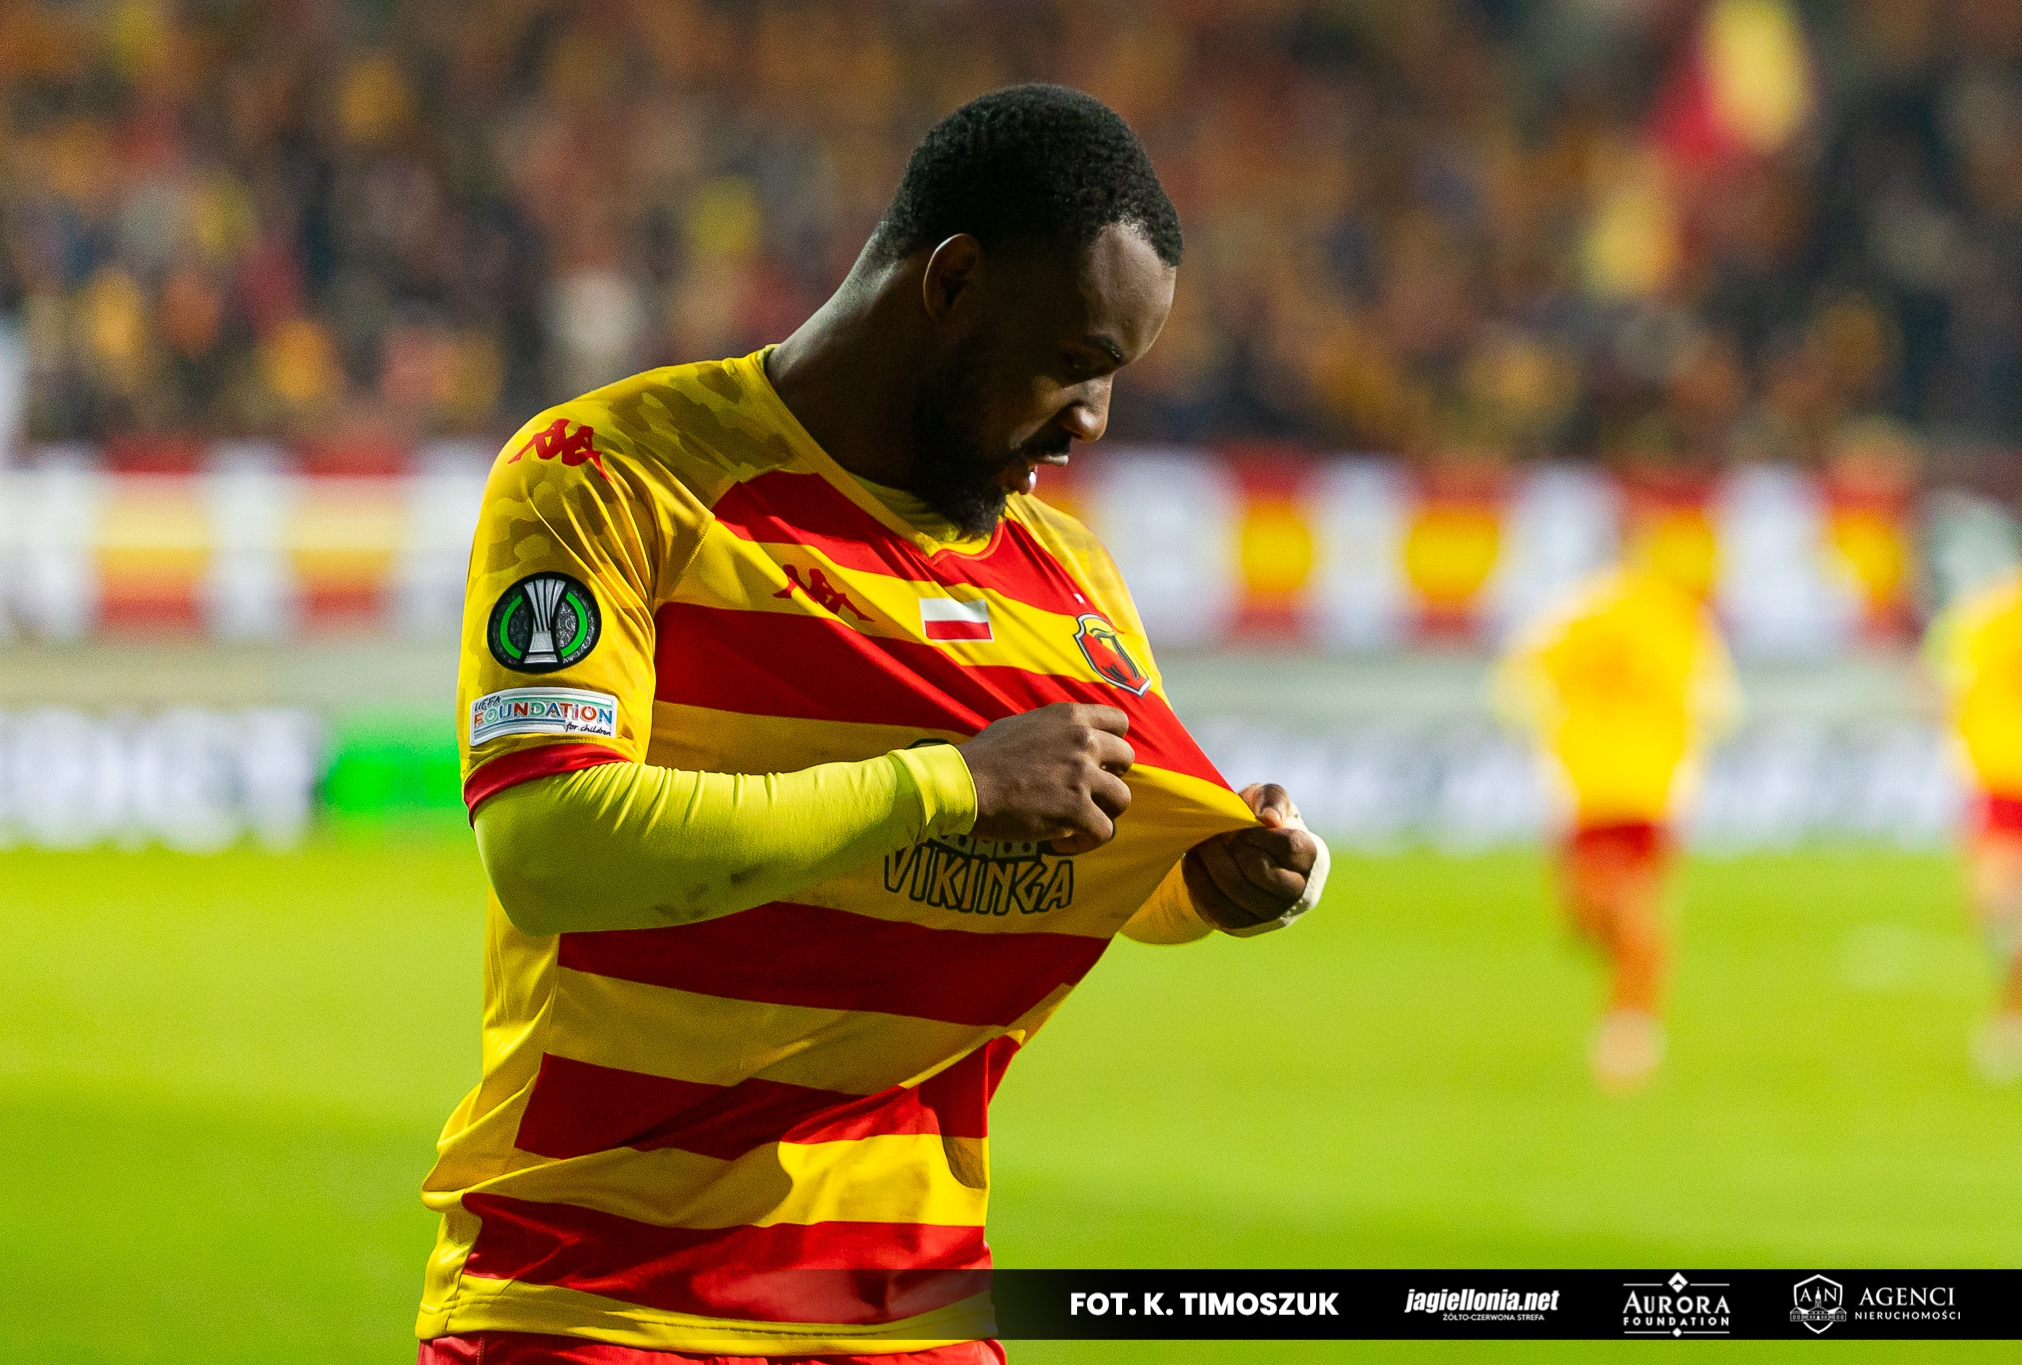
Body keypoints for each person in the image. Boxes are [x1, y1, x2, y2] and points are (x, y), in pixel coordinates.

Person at [415, 86, 1330, 1365]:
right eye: (1073, 362)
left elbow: (1105, 855)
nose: (1090, 421)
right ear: (950, 284)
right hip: (589, 1298)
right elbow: (549, 846)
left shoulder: (1067, 582)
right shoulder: (612, 473)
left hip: (910, 1316)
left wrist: (1220, 883)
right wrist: (950, 785)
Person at [1494, 551, 1739, 1093]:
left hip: (1624, 787)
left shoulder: (1580, 613)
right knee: (1586, 917)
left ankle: (1628, 1035)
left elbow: (1515, 688)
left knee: (1625, 910)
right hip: (1614, 786)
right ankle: (1632, 1009)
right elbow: (1718, 703)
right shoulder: (1649, 615)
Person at [1926, 568, 2022, 1083]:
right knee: (1986, 907)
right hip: (1998, 778)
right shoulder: (1984, 613)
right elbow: (1944, 684)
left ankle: (2010, 1018)